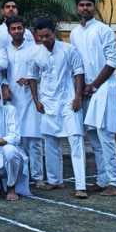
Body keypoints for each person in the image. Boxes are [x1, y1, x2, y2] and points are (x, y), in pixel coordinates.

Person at [27, 17, 87, 199]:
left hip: (69, 101)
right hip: (47, 103)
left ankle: (81, 185)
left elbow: (78, 73)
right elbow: (32, 77)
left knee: (75, 141)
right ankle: (54, 180)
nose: (44, 39)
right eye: (41, 37)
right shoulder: (35, 54)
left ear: (54, 32)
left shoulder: (69, 50)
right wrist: (36, 101)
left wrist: (78, 97)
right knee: (50, 142)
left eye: (47, 35)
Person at [70, 0, 116, 197]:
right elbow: (77, 64)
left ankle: (115, 182)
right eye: (81, 5)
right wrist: (81, 88)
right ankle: (103, 180)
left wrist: (94, 85)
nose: (85, 8)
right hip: (85, 90)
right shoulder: (74, 33)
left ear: (94, 7)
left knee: (105, 136)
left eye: (88, 5)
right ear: (77, 8)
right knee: (93, 137)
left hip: (104, 88)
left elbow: (112, 61)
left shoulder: (104, 30)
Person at [2, 16, 44, 184]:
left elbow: (43, 71)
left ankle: (38, 177)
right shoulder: (5, 50)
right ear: (9, 31)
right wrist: (5, 86)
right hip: (12, 99)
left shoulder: (35, 49)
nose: (17, 31)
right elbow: (2, 72)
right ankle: (21, 176)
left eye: (20, 28)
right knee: (16, 138)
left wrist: (30, 79)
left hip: (30, 98)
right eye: (13, 28)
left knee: (34, 139)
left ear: (24, 29)